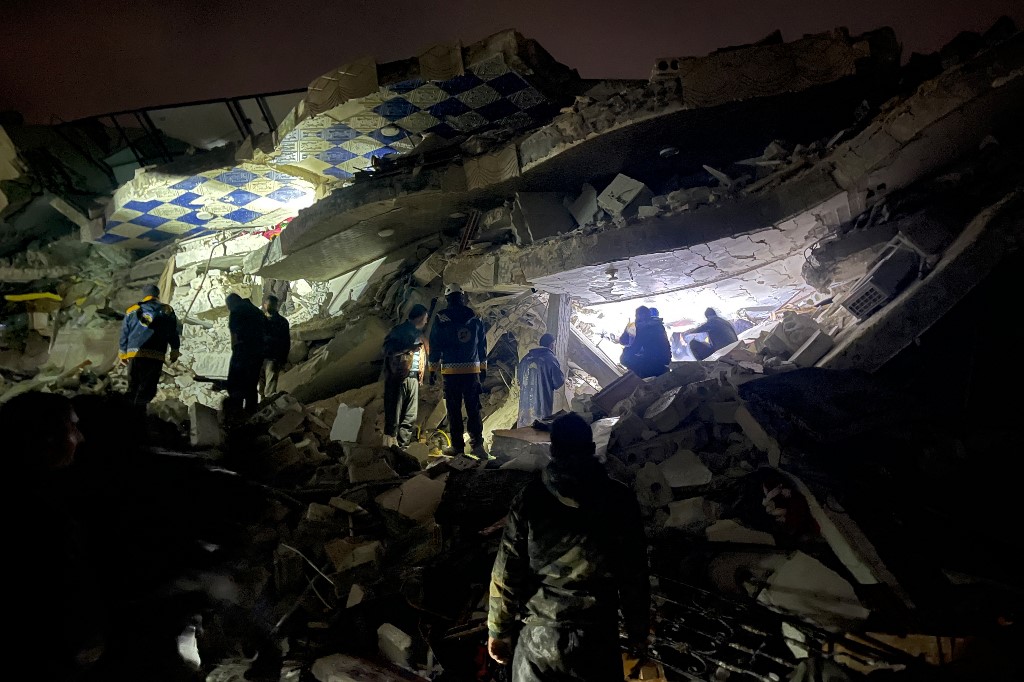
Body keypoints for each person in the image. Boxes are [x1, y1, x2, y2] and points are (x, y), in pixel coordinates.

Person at [487, 412, 650, 681]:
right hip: (597, 639)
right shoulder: (620, 500)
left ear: (553, 450)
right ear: (591, 448)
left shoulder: (531, 499)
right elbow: (634, 573)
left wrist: (498, 630)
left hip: (540, 640)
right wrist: (638, 632)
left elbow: (506, 571)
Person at [4, 392, 107, 680]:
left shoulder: (41, 494)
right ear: (46, 438)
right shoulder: (38, 513)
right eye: (72, 428)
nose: (80, 438)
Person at [428, 283, 488, 458]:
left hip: (451, 373)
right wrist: (482, 367)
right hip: (472, 372)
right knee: (473, 408)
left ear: (447, 298)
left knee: (454, 410)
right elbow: (482, 345)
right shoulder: (475, 317)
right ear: (463, 297)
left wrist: (432, 369)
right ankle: (478, 445)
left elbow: (435, 345)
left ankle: (457, 448)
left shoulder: (441, 318)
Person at [118, 284, 181, 408]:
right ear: (157, 295)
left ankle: (129, 412)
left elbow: (125, 333)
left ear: (144, 295)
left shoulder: (131, 310)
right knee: (149, 386)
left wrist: (122, 353)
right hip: (156, 354)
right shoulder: (167, 310)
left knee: (134, 384)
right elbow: (173, 332)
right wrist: (175, 349)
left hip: (135, 353)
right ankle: (142, 411)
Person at [382, 303, 430, 448]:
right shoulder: (399, 331)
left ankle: (403, 447)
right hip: (398, 377)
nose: (427, 321)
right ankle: (390, 446)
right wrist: (408, 348)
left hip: (414, 377)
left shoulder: (419, 335)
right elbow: (387, 349)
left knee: (410, 416)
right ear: (420, 317)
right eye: (426, 318)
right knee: (394, 415)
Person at [225, 293, 266, 415]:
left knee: (236, 383)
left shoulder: (236, 311)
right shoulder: (257, 312)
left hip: (243, 353)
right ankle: (251, 413)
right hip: (258, 354)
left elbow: (235, 337)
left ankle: (235, 412)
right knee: (251, 384)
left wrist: (235, 354)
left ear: (231, 303)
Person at [516, 333, 565, 428]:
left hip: (525, 404)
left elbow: (519, 379)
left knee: (524, 429)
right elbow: (558, 382)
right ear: (551, 345)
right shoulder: (550, 359)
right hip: (542, 404)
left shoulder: (525, 359)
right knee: (539, 429)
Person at [620, 306, 671, 378]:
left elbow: (634, 347)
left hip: (654, 365)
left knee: (625, 359)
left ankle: (640, 378)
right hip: (664, 361)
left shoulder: (643, 328)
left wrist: (626, 351)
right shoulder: (658, 325)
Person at [259, 294, 290, 401]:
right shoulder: (259, 320)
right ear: (264, 305)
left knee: (270, 388)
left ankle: (268, 405)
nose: (271, 307)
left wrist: (283, 359)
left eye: (273, 305)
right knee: (261, 386)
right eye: (269, 304)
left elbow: (286, 342)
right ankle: (262, 404)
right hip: (259, 357)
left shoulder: (282, 322)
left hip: (273, 357)